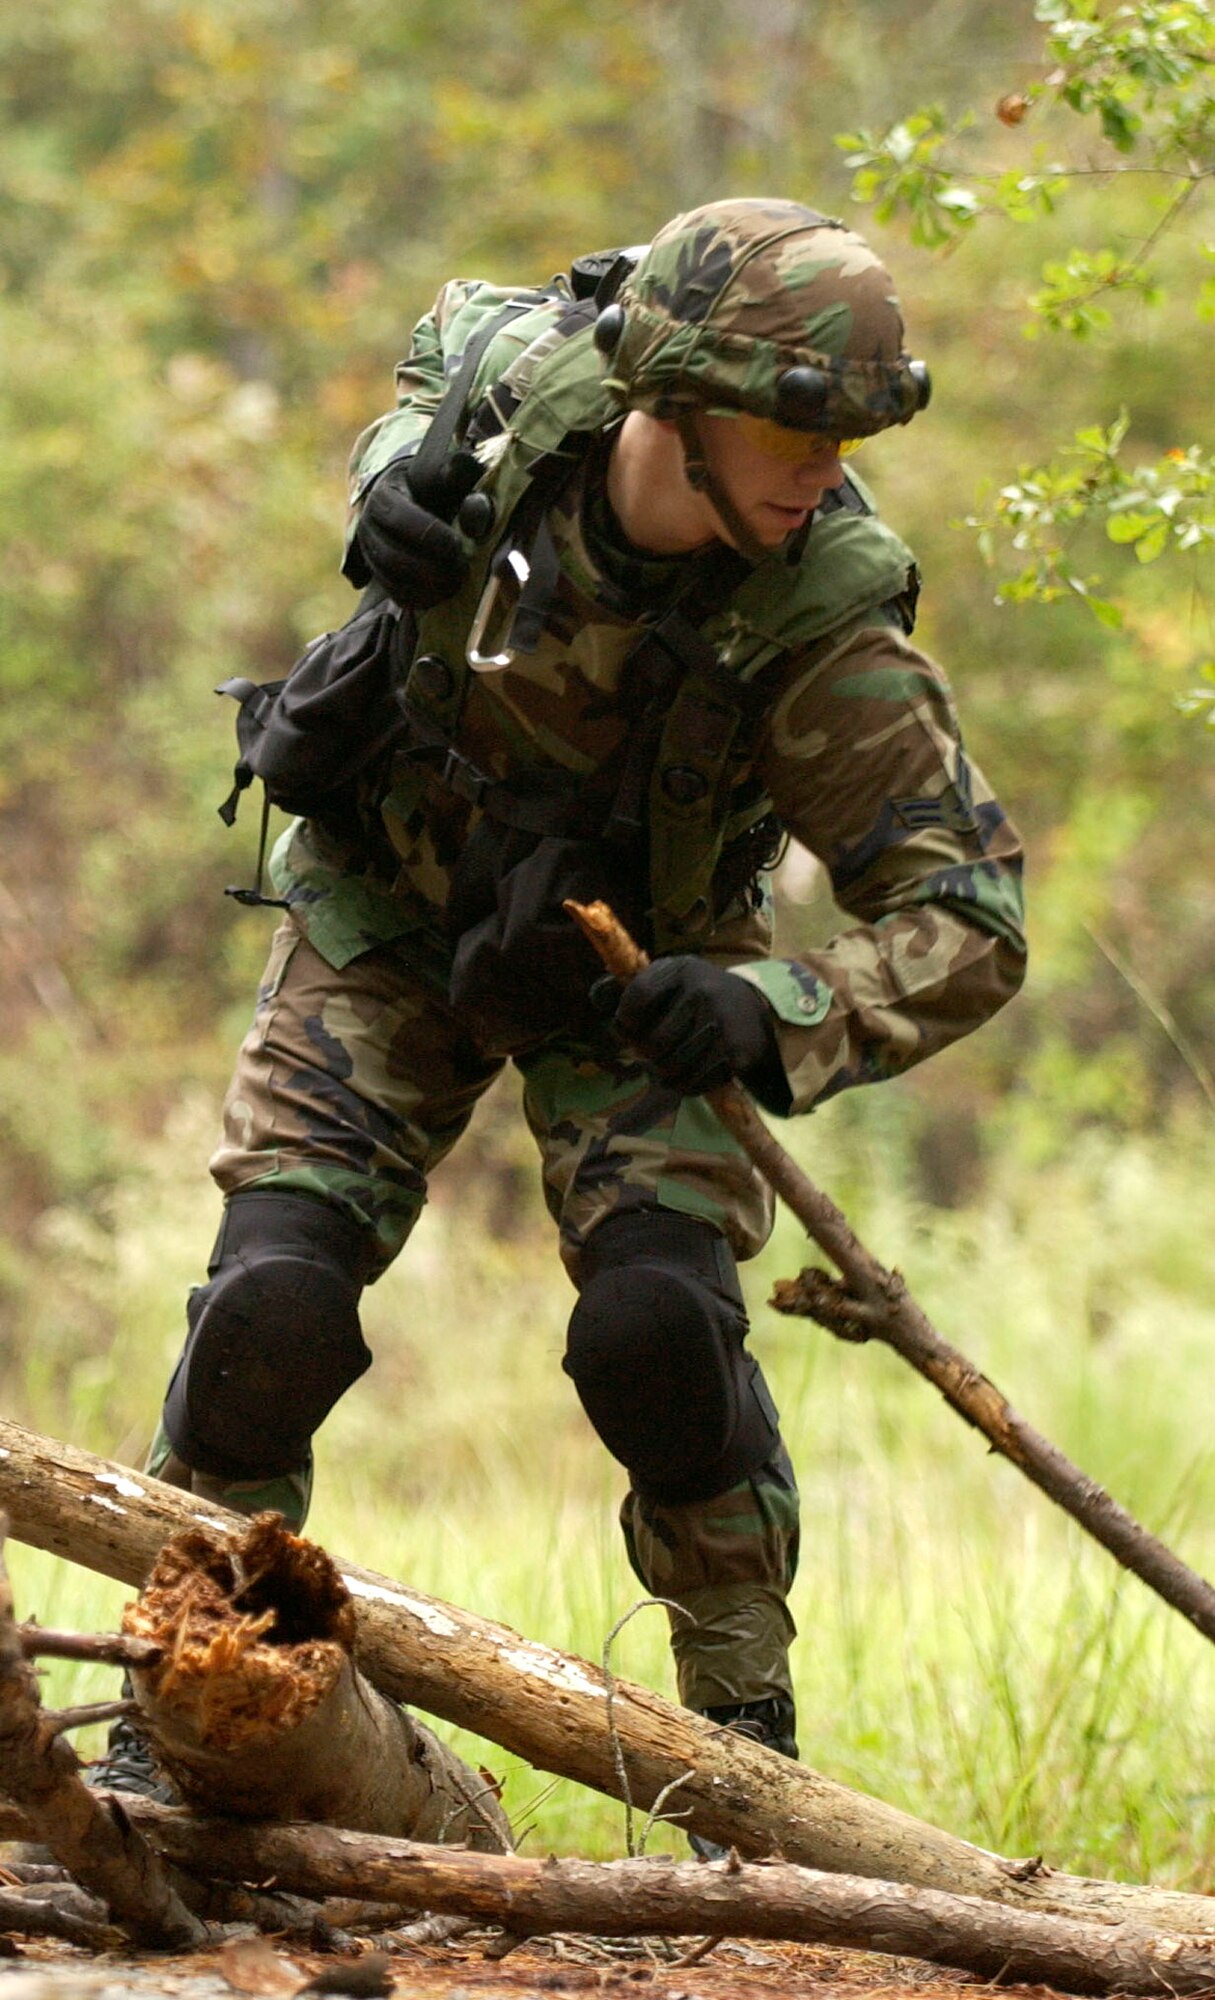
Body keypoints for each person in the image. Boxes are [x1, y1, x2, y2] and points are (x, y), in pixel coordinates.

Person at [103, 198, 1026, 1797]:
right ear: (673, 396)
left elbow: (970, 915)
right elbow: (435, 335)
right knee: (271, 1314)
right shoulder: (528, 387)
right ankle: (167, 1725)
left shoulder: (823, 623)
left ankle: (747, 1777)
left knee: (659, 1340)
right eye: (796, 427)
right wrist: (391, 477)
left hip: (643, 973)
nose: (828, 468)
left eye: (850, 435)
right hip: (388, 901)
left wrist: (777, 1010)